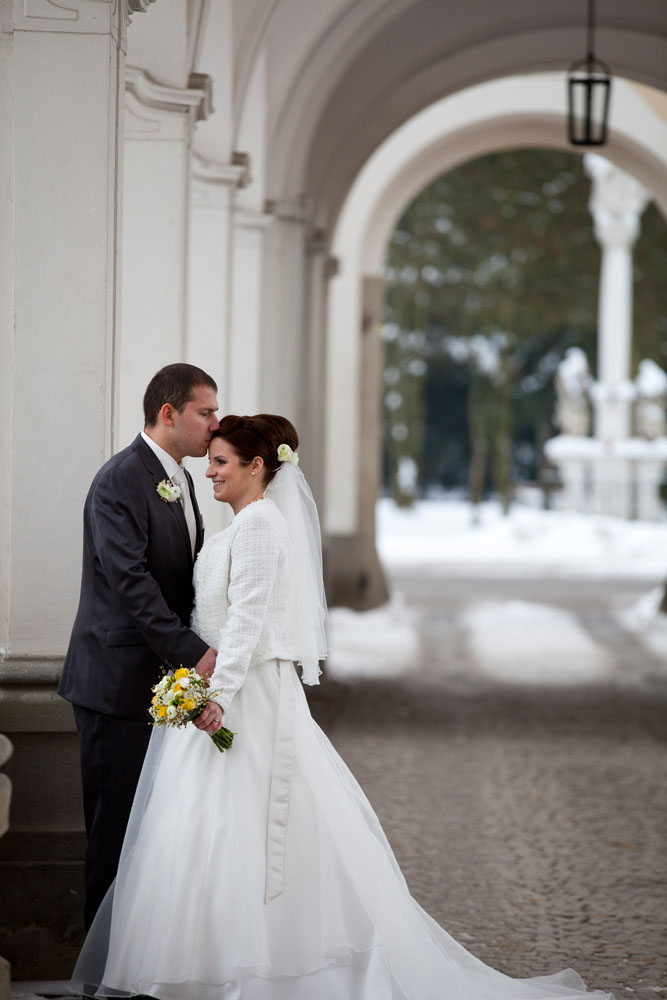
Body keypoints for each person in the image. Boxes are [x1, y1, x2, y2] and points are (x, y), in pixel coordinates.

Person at [70, 414, 613, 1000]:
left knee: (244, 832)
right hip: (219, 694)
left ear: (258, 467)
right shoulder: (237, 525)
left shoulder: (257, 528)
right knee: (207, 832)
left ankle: (255, 968)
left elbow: (248, 623)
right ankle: (203, 963)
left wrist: (213, 697)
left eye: (223, 461)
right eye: (212, 460)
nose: (211, 471)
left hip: (244, 699)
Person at [59, 363, 220, 929]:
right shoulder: (121, 479)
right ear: (168, 413)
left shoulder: (181, 478)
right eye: (206, 412)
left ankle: (133, 964)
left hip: (157, 685)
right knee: (114, 831)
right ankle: (98, 974)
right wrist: (193, 650)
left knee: (149, 833)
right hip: (115, 684)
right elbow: (131, 583)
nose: (215, 424)